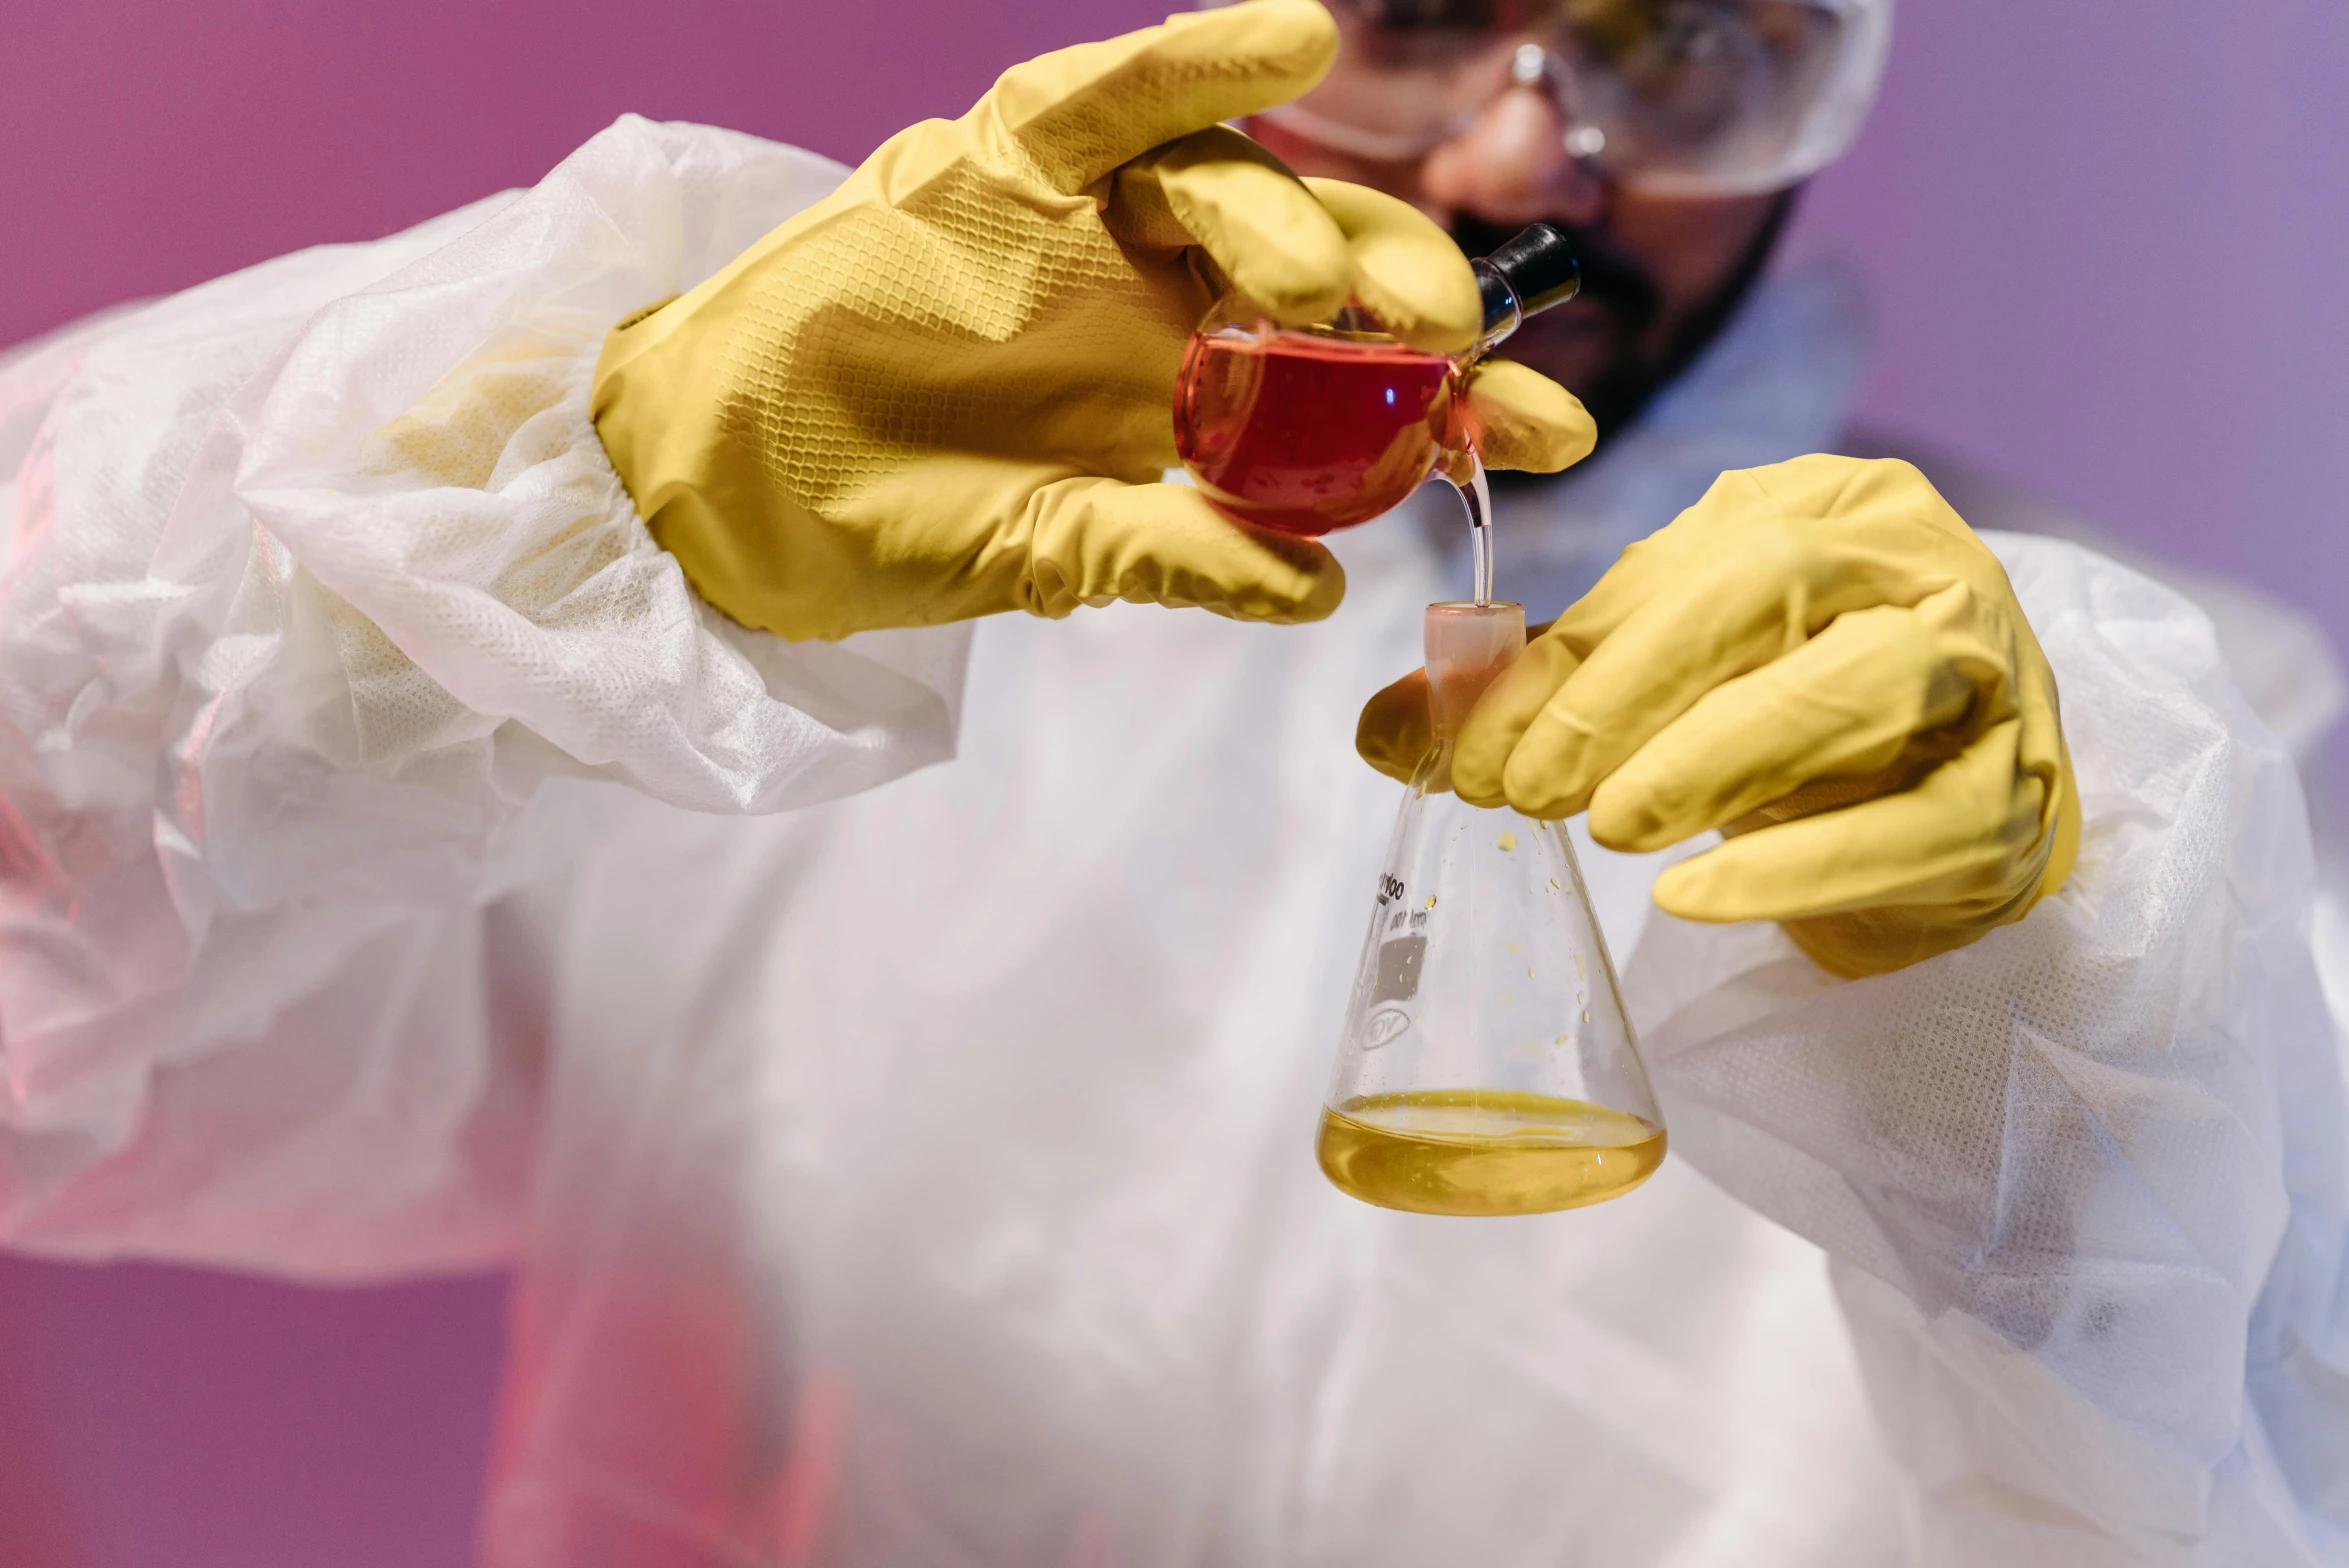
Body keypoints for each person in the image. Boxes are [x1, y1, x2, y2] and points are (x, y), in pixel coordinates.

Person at [0, 3, 2342, 1565]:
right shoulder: (750, 605)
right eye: (1421, 8)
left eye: (1680, 42)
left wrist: (2056, 1027)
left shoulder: (2127, 751)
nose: (1532, 145)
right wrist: (489, 536)